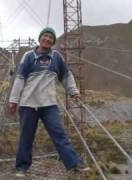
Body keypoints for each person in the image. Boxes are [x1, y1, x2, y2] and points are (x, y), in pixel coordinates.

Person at [8, 27, 90, 177]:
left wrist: (74, 92)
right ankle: (21, 168)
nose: (47, 39)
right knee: (26, 137)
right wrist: (14, 100)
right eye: (45, 36)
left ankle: (74, 164)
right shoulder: (28, 56)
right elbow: (19, 79)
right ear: (40, 38)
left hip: (49, 105)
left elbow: (66, 76)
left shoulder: (56, 57)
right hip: (28, 104)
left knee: (60, 135)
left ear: (53, 42)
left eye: (51, 38)